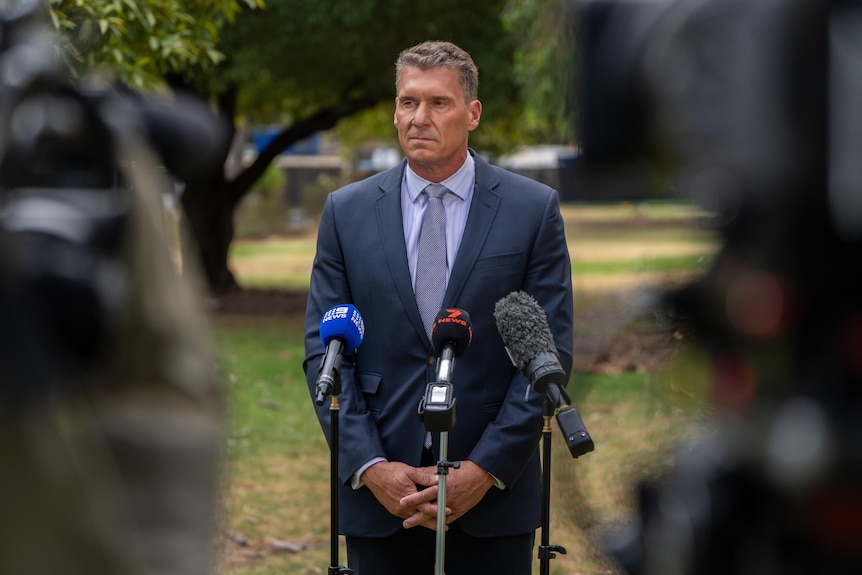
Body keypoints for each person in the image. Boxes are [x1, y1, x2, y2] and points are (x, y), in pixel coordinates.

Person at [303, 40, 573, 575]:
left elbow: (549, 350)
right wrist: (371, 466)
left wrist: (485, 469)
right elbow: (323, 350)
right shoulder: (345, 211)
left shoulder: (532, 209)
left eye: (438, 103)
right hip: (383, 499)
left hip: (491, 501)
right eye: (408, 102)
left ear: (472, 113)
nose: (418, 117)